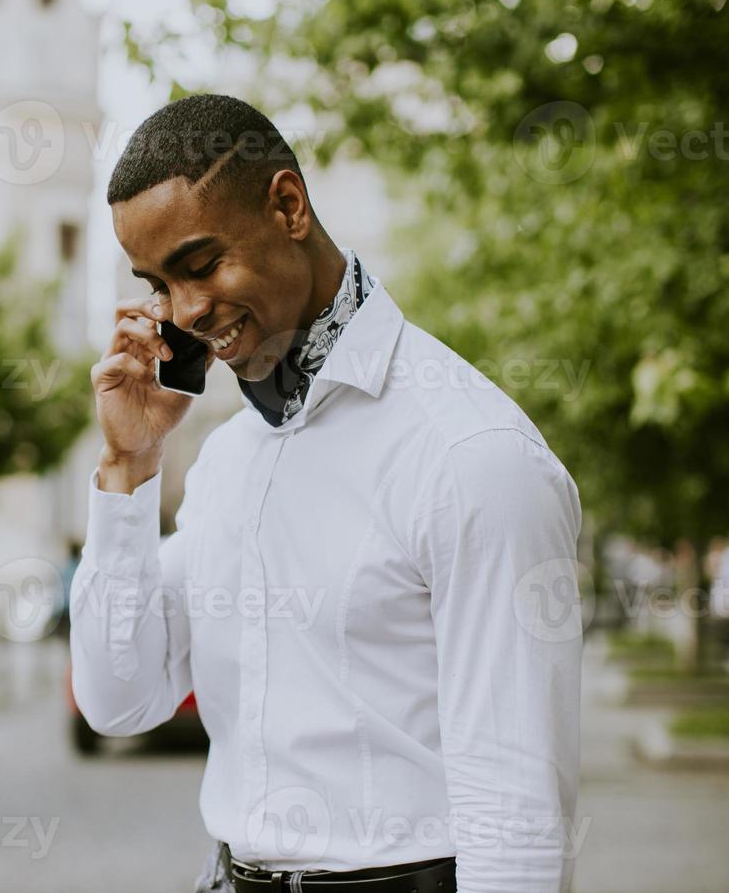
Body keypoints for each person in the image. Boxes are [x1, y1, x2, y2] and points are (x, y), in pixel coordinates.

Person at [70, 95, 583, 893]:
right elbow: (119, 701)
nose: (185, 312)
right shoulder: (228, 462)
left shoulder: (470, 455)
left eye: (200, 266)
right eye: (158, 284)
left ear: (287, 205)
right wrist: (129, 466)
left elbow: (515, 814)